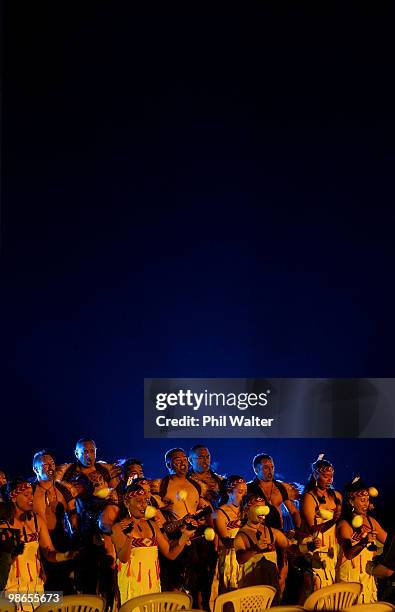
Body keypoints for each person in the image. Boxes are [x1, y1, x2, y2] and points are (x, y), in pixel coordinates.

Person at [111, 483, 194, 604]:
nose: (143, 505)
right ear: (127, 503)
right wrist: (129, 537)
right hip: (131, 586)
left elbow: (170, 554)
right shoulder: (118, 527)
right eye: (139, 501)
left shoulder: (152, 525)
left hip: (151, 585)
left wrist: (185, 535)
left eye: (146, 501)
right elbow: (123, 558)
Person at [0, 479, 75, 610]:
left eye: (31, 494)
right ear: (13, 498)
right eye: (26, 495)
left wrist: (66, 556)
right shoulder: (2, 526)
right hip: (10, 590)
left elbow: (49, 552)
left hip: (35, 586)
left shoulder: (37, 521)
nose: (31, 498)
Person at [336, 476, 387, 603]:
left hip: (367, 579)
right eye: (362, 500)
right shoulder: (344, 524)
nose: (367, 504)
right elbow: (348, 553)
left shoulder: (371, 521)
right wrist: (364, 542)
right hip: (349, 581)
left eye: (368, 500)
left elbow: (388, 540)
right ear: (351, 502)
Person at [32, 450, 76, 593]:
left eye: (52, 464)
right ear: (35, 469)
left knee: (66, 590)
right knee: (48, 591)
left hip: (61, 541)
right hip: (39, 544)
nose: (51, 467)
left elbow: (74, 515)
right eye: (45, 465)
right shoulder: (30, 492)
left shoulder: (63, 489)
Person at [300, 454, 342, 597]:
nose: (330, 479)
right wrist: (332, 521)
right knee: (318, 591)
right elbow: (312, 529)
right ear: (315, 475)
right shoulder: (308, 497)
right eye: (325, 476)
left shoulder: (336, 496)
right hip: (317, 548)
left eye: (331, 476)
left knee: (333, 593)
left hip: (333, 548)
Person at [234, 495, 290, 604]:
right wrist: (254, 549)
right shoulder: (241, 535)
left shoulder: (271, 531)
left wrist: (307, 546)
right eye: (258, 507)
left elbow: (290, 547)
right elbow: (240, 558)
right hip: (252, 591)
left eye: (264, 507)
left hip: (271, 590)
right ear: (247, 510)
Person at [247, 454, 301, 530]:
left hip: (279, 532)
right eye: (266, 467)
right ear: (256, 470)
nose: (270, 471)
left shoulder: (280, 487)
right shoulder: (249, 488)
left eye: (272, 467)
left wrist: (298, 530)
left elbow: (294, 511)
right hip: (259, 533)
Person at [214, 476, 246, 593]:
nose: (243, 496)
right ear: (229, 492)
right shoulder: (219, 513)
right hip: (230, 559)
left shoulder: (246, 511)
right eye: (240, 492)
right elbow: (226, 541)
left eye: (245, 492)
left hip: (246, 557)